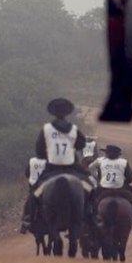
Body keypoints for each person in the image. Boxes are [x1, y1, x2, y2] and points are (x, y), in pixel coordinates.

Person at [20, 97, 93, 232]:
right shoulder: (73, 129)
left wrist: (47, 154)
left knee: (34, 192)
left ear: (53, 113)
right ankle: (92, 215)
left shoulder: (46, 129)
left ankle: (29, 218)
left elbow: (39, 149)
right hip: (72, 167)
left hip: (52, 167)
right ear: (67, 113)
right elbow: (81, 144)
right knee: (91, 186)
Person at [87, 145, 132, 232]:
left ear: (107, 153)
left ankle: (90, 223)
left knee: (91, 203)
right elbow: (130, 177)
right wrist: (124, 182)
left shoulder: (101, 162)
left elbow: (90, 168)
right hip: (121, 189)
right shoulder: (124, 162)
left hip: (104, 189)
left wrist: (98, 179)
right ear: (118, 154)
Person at [19, 155, 47, 234]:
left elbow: (27, 174)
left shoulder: (32, 161)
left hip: (35, 187)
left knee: (28, 203)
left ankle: (26, 221)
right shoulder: (50, 160)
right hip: (48, 185)